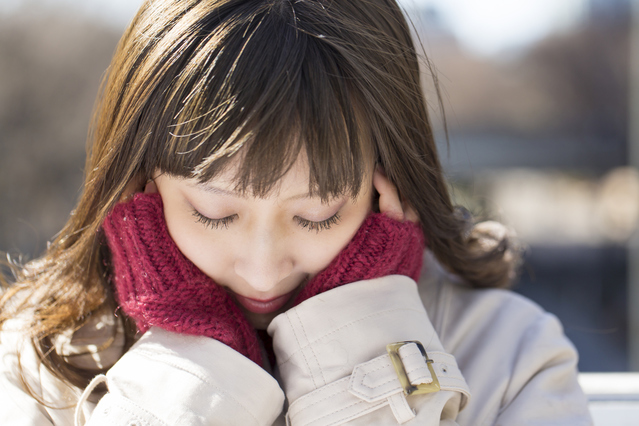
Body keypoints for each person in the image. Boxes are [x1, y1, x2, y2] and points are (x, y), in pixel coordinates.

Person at [0, 0, 592, 424]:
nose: (262, 271)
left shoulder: (511, 356)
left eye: (317, 216)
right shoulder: (41, 361)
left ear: (391, 180)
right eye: (212, 213)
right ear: (137, 182)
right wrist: (194, 374)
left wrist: (363, 352)